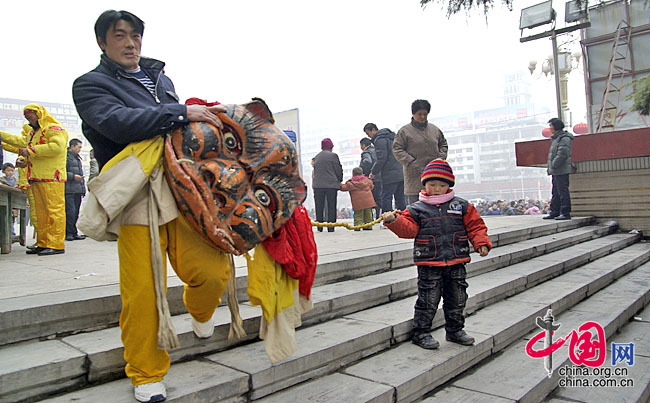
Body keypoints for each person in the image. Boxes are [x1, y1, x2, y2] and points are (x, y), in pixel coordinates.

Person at [72, 10, 232, 402]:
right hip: (136, 194)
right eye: (120, 36)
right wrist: (180, 113)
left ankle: (200, 310)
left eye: (136, 37)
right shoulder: (90, 85)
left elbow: (176, 130)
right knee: (143, 290)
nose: (130, 44)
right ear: (102, 43)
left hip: (180, 187)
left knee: (213, 270)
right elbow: (117, 123)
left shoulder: (162, 79)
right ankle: (146, 374)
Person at [381, 159, 491, 349]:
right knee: (428, 300)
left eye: (442, 185)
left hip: (457, 260)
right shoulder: (416, 209)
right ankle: (421, 332)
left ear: (449, 185)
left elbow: (476, 226)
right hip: (429, 262)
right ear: (425, 185)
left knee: (457, 299)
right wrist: (393, 220)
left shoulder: (461, 206)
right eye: (432, 184)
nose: (437, 189)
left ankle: (455, 330)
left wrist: (481, 243)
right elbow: (408, 230)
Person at [0, 104, 68, 256]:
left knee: (54, 211)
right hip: (36, 177)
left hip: (52, 177)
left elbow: (57, 147)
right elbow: (18, 142)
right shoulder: (33, 134)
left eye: (30, 116)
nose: (28, 119)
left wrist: (32, 151)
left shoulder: (54, 128)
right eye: (26, 117)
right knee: (40, 213)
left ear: (39, 114)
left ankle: (56, 244)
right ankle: (43, 242)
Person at [393, 99, 448, 204]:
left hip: (435, 174)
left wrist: (441, 157)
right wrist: (411, 161)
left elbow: (443, 144)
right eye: (419, 114)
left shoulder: (434, 130)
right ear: (413, 114)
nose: (422, 117)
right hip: (414, 178)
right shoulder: (404, 131)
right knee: (416, 209)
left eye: (425, 114)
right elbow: (397, 149)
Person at [363, 123, 405, 215]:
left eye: (368, 133)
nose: (369, 136)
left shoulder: (380, 140)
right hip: (401, 172)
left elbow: (381, 158)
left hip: (389, 174)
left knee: (386, 197)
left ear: (373, 130)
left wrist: (373, 172)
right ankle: (404, 218)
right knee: (400, 198)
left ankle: (388, 219)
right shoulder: (393, 137)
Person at [543, 118, 574, 221]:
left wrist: (554, 165)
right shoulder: (556, 138)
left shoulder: (564, 138)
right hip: (556, 170)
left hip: (561, 170)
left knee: (563, 192)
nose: (550, 128)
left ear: (556, 126)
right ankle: (554, 211)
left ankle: (565, 212)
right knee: (555, 192)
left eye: (551, 126)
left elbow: (562, 154)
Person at [312, 138, 343, 233]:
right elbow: (338, 169)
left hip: (318, 185)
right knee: (331, 206)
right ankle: (331, 226)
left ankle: (320, 226)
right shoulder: (333, 156)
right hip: (331, 185)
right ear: (330, 147)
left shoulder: (317, 156)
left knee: (319, 206)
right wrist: (339, 179)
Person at [65, 139, 87, 241]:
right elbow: (61, 172)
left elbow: (81, 175)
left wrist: (83, 189)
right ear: (72, 147)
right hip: (69, 189)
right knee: (70, 212)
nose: (79, 150)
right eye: (78, 147)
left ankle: (74, 232)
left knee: (76, 212)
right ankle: (68, 232)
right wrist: (73, 176)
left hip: (77, 189)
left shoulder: (77, 158)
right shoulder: (66, 157)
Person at [360, 137, 381, 220]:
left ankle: (371, 218)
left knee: (371, 199)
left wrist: (364, 172)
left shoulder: (366, 152)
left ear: (363, 145)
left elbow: (367, 162)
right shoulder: (376, 150)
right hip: (380, 177)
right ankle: (379, 216)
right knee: (379, 197)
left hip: (371, 179)